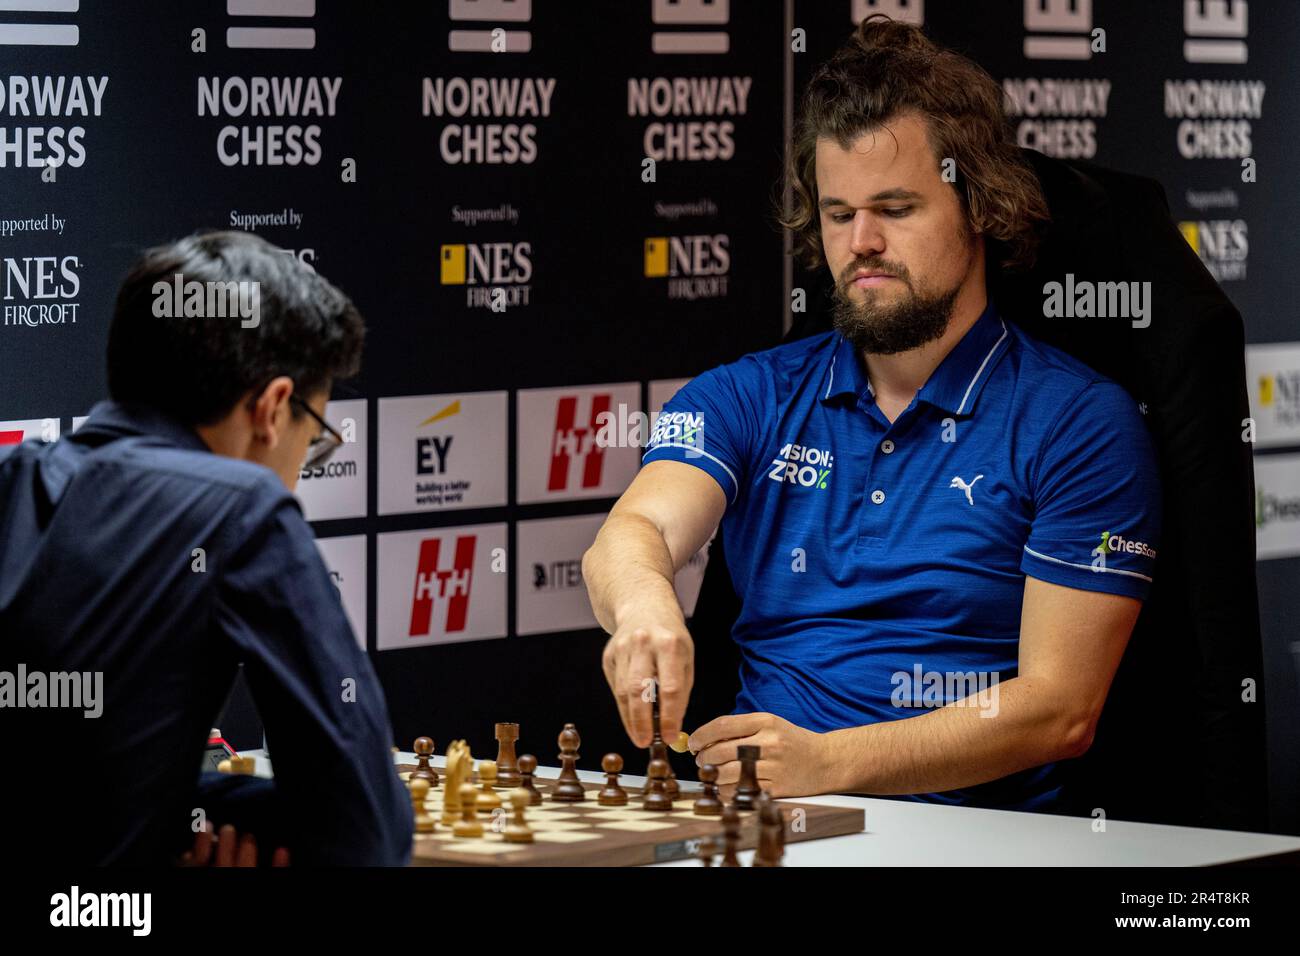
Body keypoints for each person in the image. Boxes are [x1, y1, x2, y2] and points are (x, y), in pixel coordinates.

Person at [583, 16, 1162, 812]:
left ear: (981, 207)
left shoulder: (1079, 422)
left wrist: (828, 763)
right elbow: (635, 531)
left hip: (979, 845)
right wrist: (646, 605)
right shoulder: (751, 393)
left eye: (897, 207)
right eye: (838, 212)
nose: (861, 242)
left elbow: (1059, 711)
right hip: (772, 825)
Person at [0, 230, 413, 864]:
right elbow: (365, 827)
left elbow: (69, 785)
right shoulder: (242, 508)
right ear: (274, 408)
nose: (302, 468)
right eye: (314, 440)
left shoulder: (14, 478)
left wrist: (192, 813)